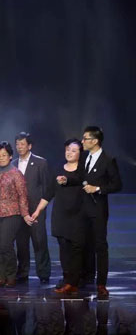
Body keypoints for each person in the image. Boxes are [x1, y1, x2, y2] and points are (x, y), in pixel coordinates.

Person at [78, 126, 121, 300]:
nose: (82, 141)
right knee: (82, 244)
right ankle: (84, 277)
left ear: (95, 141)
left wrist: (97, 188)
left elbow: (117, 184)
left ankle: (101, 283)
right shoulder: (83, 157)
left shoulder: (108, 160)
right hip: (81, 209)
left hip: (98, 209)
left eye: (85, 138)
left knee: (100, 246)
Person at [0, 142, 30, 288]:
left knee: (6, 245)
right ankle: (1, 277)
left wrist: (25, 214)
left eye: (4, 155)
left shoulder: (16, 173)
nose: (1, 158)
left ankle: (11, 276)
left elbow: (22, 196)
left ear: (10, 156)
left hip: (12, 214)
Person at [13, 132, 53, 285]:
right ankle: (22, 273)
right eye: (17, 144)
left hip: (36, 210)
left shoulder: (40, 163)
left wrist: (39, 210)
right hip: (18, 212)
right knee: (21, 243)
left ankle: (44, 273)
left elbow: (47, 188)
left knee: (39, 241)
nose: (19, 147)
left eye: (22, 144)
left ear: (29, 146)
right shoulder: (13, 164)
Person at [52, 139, 86, 295]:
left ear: (80, 153)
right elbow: (49, 191)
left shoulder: (83, 170)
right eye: (67, 149)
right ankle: (67, 278)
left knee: (76, 249)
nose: (69, 153)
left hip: (78, 214)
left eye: (73, 150)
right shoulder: (58, 168)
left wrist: (67, 180)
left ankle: (74, 280)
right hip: (61, 214)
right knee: (64, 248)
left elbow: (79, 180)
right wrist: (38, 210)